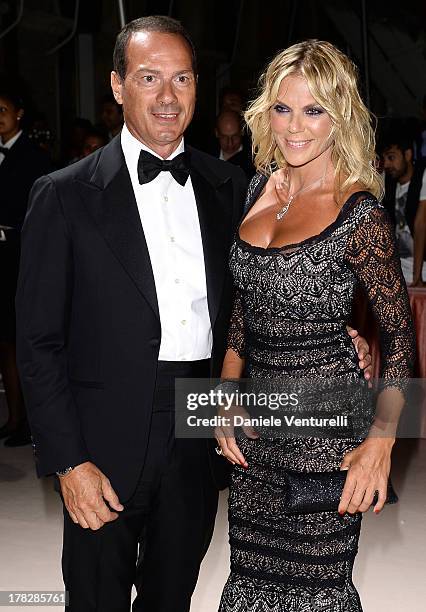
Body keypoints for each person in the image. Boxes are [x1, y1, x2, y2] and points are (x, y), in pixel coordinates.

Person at [16, 19, 371, 612]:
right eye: (148, 77)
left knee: (172, 595)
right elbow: (37, 344)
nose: (166, 96)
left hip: (203, 425)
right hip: (102, 439)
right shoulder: (64, 194)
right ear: (116, 85)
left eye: (181, 78)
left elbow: (263, 292)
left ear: (197, 88)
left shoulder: (230, 187)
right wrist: (68, 461)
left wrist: (339, 333)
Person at [215, 40, 416, 611]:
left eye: (313, 110)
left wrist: (381, 442)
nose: (294, 127)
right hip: (257, 431)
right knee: (252, 583)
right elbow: (244, 309)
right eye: (282, 108)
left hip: (325, 433)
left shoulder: (359, 213)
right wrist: (227, 391)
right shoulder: (259, 188)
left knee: (314, 590)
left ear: (340, 116)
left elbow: (400, 338)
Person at [0, 82, 50, 447]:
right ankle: (15, 418)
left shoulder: (35, 158)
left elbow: (40, 219)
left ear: (18, 114)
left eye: (2, 110)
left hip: (21, 261)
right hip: (0, 264)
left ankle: (30, 424)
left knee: (25, 342)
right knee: (5, 344)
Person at [380, 133, 426, 287]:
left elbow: (420, 226)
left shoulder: (423, 176)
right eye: (384, 159)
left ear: (407, 155)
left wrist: (417, 277)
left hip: (422, 267)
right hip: (398, 268)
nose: (386, 164)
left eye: (391, 158)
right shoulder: (387, 181)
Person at [214, 110, 255, 179]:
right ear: (217, 133)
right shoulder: (206, 155)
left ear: (242, 132)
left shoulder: (253, 161)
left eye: (235, 136)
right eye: (224, 137)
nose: (230, 143)